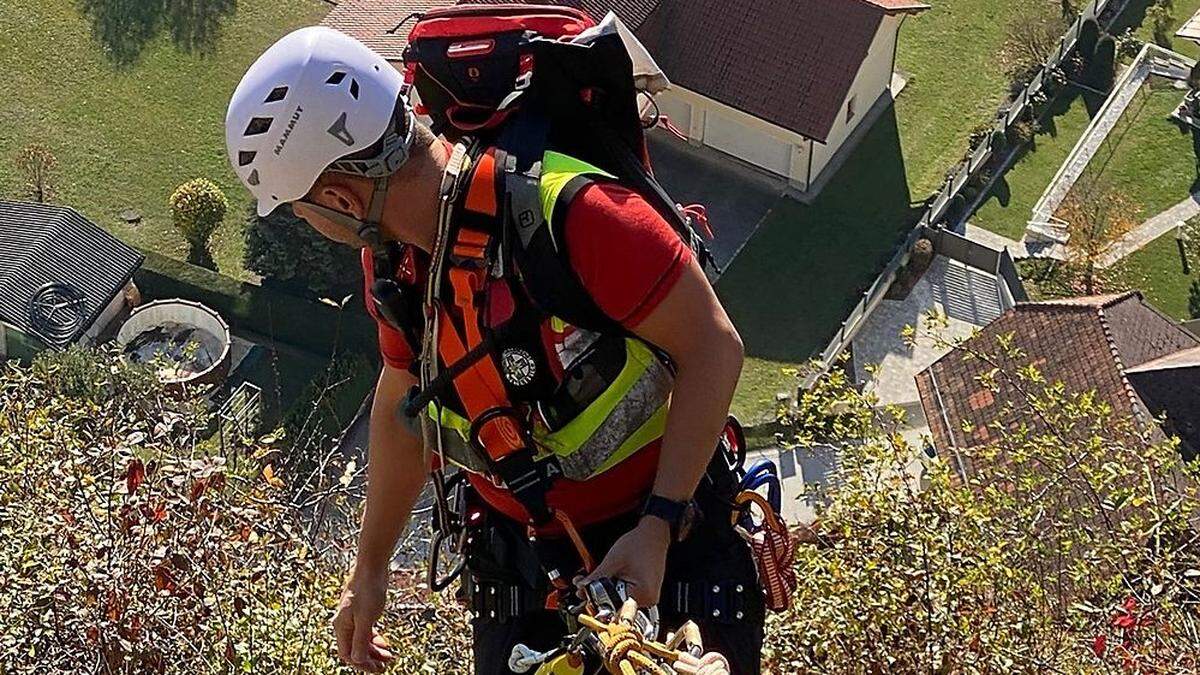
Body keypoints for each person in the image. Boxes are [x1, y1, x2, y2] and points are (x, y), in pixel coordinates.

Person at [226, 26, 763, 674]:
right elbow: (404, 402)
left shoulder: (573, 214)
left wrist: (656, 525)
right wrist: (368, 572)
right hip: (523, 564)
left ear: (339, 198)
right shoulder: (395, 267)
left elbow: (714, 346)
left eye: (300, 208)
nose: (310, 223)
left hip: (673, 541)